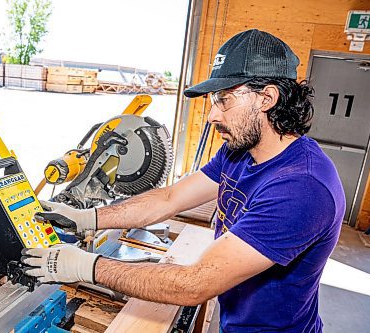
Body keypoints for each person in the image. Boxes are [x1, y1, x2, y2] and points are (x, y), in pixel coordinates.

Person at [21, 29, 345, 332]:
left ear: (267, 98)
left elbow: (194, 285)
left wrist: (84, 266)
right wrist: (87, 218)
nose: (212, 115)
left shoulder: (302, 187)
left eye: (224, 100)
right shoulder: (240, 151)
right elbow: (168, 199)